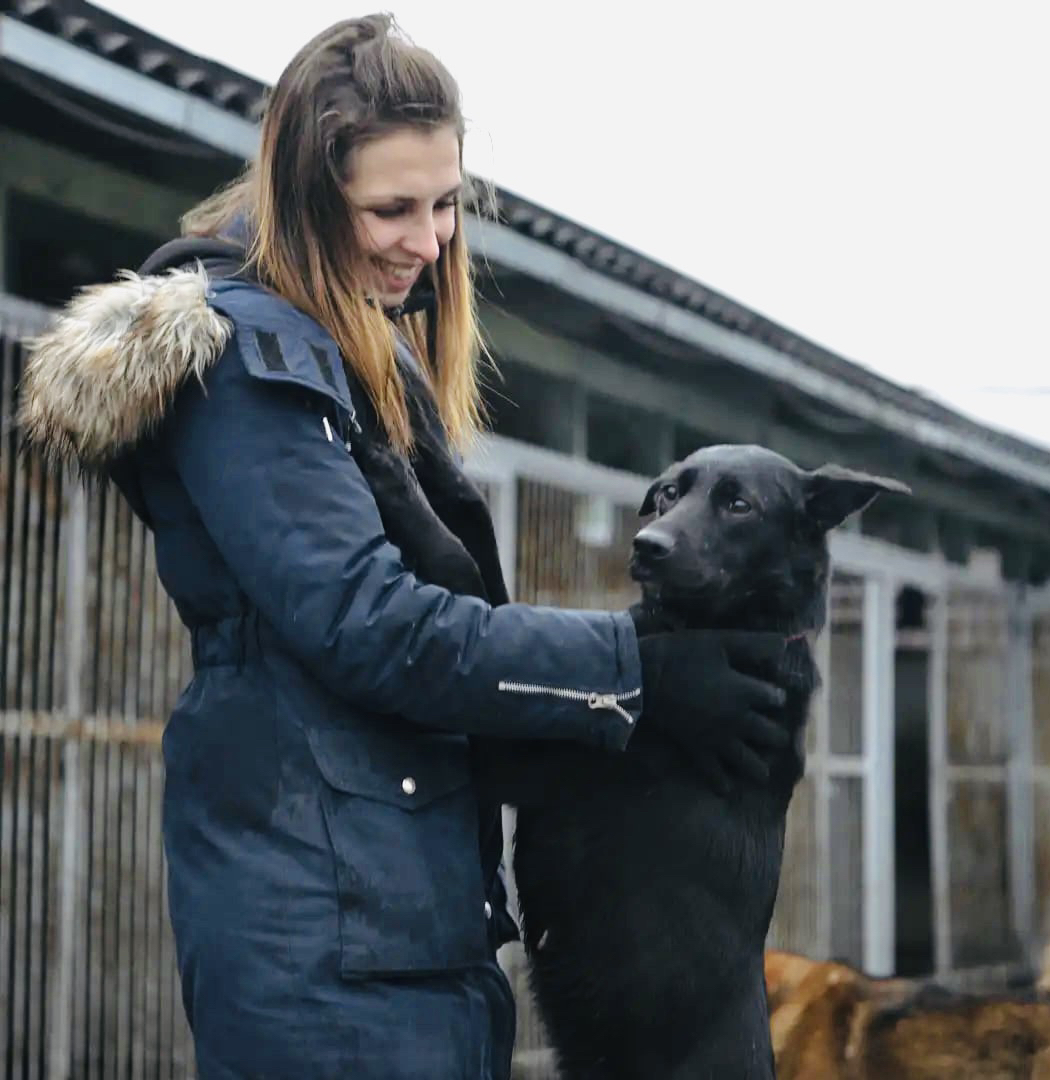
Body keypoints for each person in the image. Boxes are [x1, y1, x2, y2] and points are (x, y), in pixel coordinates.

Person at [19, 15, 788, 1079]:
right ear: (304, 196)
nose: (428, 243)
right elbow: (371, 626)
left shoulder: (360, 359)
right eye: (391, 208)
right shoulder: (250, 363)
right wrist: (635, 676)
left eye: (445, 206)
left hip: (404, 926)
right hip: (326, 947)